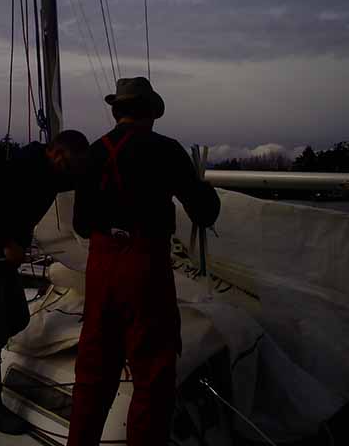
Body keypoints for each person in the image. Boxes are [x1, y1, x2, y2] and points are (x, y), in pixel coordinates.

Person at [68, 77, 221, 446]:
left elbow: (81, 225)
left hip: (101, 267)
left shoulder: (92, 153)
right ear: (150, 112)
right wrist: (204, 189)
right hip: (145, 266)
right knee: (152, 376)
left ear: (117, 110)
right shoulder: (166, 150)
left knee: (93, 373)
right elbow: (204, 212)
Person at [0, 130, 89, 435]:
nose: (71, 173)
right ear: (57, 154)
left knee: (17, 318)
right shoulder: (24, 166)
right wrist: (8, 242)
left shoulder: (54, 173)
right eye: (70, 165)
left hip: (1, 257)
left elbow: (77, 180)